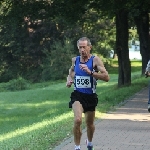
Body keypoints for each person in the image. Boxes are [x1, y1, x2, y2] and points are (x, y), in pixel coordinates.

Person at [66, 37, 110, 150]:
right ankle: (77, 147)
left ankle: (89, 143)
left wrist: (91, 73)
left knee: (89, 125)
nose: (82, 50)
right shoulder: (75, 60)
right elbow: (71, 71)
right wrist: (69, 79)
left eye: (84, 47)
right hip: (78, 95)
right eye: (80, 47)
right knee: (77, 120)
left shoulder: (95, 60)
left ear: (89, 47)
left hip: (90, 96)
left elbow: (106, 77)